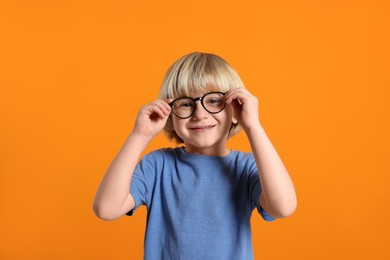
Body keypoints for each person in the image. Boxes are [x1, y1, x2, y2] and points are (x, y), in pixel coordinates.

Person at [93, 52, 297, 259]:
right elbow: (106, 209)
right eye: (185, 103)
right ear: (170, 113)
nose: (200, 114)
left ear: (235, 109)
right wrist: (140, 135)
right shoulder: (157, 166)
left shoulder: (245, 167)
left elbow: (283, 207)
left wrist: (254, 126)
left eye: (214, 100)